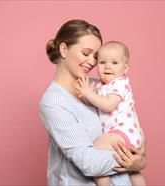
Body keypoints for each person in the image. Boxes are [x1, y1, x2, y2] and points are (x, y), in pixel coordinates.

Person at [40, 19, 146, 186]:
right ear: (64, 49)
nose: (92, 61)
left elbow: (129, 123)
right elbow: (90, 163)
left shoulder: (100, 86)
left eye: (96, 57)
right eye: (86, 53)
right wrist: (135, 161)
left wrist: (139, 158)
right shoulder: (54, 101)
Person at [76, 41, 146, 186]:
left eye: (114, 62)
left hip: (122, 133)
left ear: (125, 68)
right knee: (133, 171)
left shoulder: (119, 83)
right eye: (102, 62)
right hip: (128, 135)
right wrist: (86, 98)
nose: (107, 66)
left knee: (95, 153)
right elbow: (97, 104)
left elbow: (108, 106)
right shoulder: (103, 85)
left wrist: (89, 94)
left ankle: (104, 184)